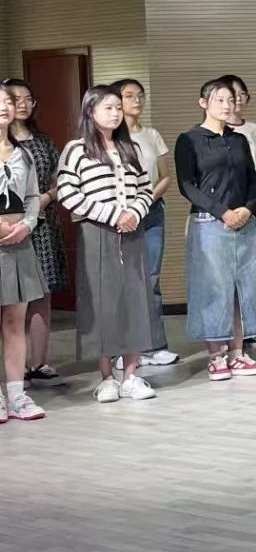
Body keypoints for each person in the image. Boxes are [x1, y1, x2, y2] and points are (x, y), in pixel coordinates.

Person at [57, 85, 157, 403]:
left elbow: (146, 189)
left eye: (117, 108)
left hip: (132, 233)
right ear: (90, 111)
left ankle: (131, 375)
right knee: (101, 303)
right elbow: (67, 193)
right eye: (108, 108)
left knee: (134, 301)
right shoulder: (76, 149)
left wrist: (134, 213)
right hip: (97, 233)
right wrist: (113, 214)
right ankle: (106, 378)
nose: (115, 113)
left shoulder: (131, 148)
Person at [176, 79, 256, 381]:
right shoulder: (189, 140)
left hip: (243, 220)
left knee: (241, 289)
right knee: (214, 289)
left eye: (231, 100)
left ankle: (238, 353)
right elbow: (187, 185)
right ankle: (216, 356)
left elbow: (253, 180)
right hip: (209, 222)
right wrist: (222, 212)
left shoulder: (240, 139)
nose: (227, 106)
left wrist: (247, 208)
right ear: (203, 103)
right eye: (219, 100)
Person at [4, 79, 68, 386]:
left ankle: (39, 363)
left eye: (27, 99)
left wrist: (46, 198)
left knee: (42, 293)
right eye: (14, 99)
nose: (21, 104)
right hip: (7, 227)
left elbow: (60, 178)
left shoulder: (42, 142)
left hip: (41, 224)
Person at [112, 79, 180, 369]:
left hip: (151, 211)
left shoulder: (152, 135)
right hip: (119, 215)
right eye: (129, 96)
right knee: (124, 282)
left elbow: (165, 176)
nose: (137, 100)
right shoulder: (109, 137)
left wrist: (144, 201)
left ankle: (155, 345)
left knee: (150, 279)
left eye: (140, 95)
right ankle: (126, 349)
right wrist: (129, 208)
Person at [0, 89, 48, 422]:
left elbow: (32, 196)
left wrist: (27, 224)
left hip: (18, 243)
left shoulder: (23, 154)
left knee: (15, 322)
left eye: (7, 101)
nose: (5, 107)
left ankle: (17, 394)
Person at [222, 76, 256, 351]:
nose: (237, 100)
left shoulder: (253, 129)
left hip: (254, 200)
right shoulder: (215, 131)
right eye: (232, 96)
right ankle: (230, 328)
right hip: (226, 205)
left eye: (241, 94)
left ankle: (252, 328)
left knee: (250, 266)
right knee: (227, 268)